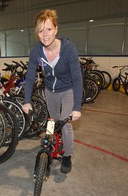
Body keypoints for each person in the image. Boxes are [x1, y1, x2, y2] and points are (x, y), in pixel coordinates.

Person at [22, 9, 83, 174]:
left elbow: (77, 79)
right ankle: (49, 149)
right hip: (50, 91)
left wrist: (77, 107)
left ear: (56, 29)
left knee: (65, 124)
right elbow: (29, 78)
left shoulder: (68, 48)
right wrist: (26, 100)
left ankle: (67, 156)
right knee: (52, 122)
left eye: (48, 29)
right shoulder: (36, 51)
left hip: (68, 89)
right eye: (41, 30)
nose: (45, 34)